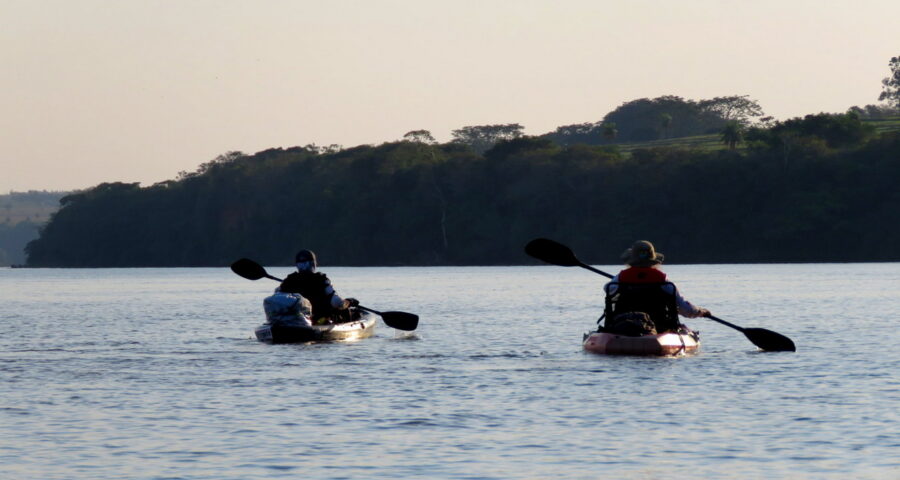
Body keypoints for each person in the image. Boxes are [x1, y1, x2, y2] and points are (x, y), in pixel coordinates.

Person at [602, 240, 710, 334]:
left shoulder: (621, 277)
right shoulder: (662, 279)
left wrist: (629, 282)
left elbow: (607, 289)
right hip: (658, 326)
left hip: (623, 325)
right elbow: (685, 309)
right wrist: (700, 311)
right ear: (653, 260)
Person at [278, 250, 358, 324]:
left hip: (292, 321)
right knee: (343, 310)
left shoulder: (289, 281)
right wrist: (348, 302)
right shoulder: (321, 280)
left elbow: (277, 300)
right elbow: (336, 302)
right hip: (318, 322)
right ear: (313, 263)